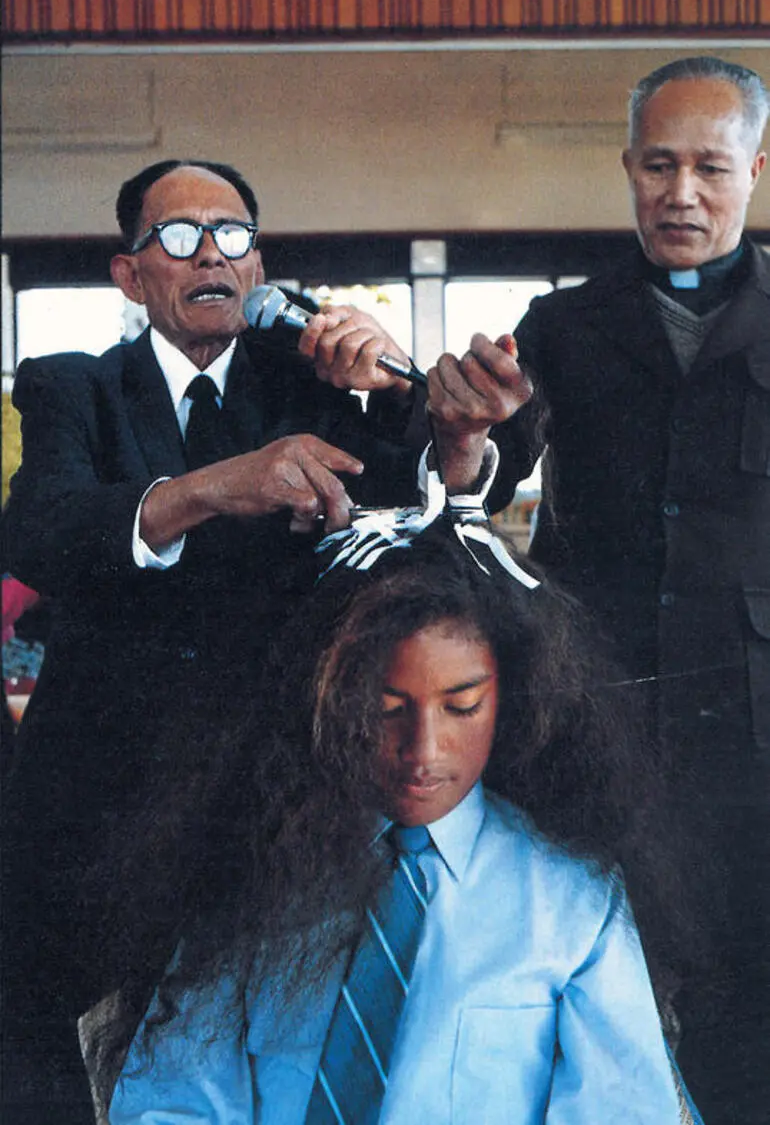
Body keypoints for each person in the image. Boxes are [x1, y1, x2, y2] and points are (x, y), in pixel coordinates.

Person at [0, 159, 526, 1124]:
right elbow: (44, 530)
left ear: (259, 264)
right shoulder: (73, 386)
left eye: (232, 234)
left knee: (261, 1066)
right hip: (97, 801)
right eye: (179, 236)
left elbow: (442, 491)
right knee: (68, 1070)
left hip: (268, 805)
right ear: (130, 275)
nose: (211, 252)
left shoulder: (315, 387)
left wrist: (419, 398)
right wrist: (218, 485)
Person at [79, 504, 701, 1123]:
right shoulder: (253, 877)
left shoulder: (574, 899)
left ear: (513, 700)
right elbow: (172, 1104)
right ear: (328, 701)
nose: (423, 752)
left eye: (461, 706)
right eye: (384, 708)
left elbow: (622, 1113)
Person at [465, 55, 769, 1122]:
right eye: (656, 164)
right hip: (597, 716)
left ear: (754, 168)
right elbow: (484, 478)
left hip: (751, 734)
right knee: (597, 982)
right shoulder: (562, 324)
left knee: (748, 999)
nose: (679, 192)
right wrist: (469, 426)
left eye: (708, 167)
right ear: (626, 168)